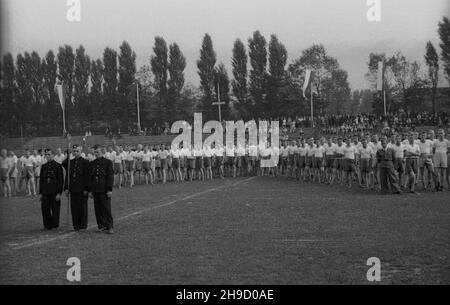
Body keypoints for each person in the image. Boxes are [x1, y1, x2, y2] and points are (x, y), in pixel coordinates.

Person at [88, 144, 114, 234]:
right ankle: (101, 226)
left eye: (98, 152)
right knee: (98, 209)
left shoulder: (108, 162)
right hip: (95, 190)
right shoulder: (92, 164)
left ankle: (110, 226)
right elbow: (90, 178)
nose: (96, 154)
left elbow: (110, 177)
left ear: (102, 152)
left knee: (106, 208)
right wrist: (90, 191)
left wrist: (109, 189)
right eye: (95, 152)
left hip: (104, 190)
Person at [63, 145, 89, 232]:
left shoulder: (85, 162)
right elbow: (67, 175)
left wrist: (86, 189)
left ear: (81, 151)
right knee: (74, 208)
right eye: (74, 151)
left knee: (82, 208)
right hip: (73, 189)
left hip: (82, 189)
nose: (75, 152)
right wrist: (66, 188)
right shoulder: (70, 162)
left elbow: (87, 177)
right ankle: (76, 225)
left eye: (77, 151)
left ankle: (83, 226)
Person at [39, 148, 64, 231]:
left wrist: (59, 193)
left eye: (49, 154)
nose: (47, 156)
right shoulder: (44, 166)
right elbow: (41, 180)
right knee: (45, 209)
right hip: (45, 192)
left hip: (54, 192)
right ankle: (47, 225)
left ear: (53, 155)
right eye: (46, 154)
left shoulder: (58, 166)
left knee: (55, 209)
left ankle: (55, 225)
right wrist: (40, 193)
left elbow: (61, 180)